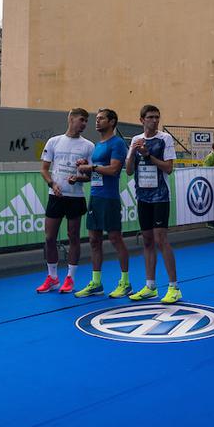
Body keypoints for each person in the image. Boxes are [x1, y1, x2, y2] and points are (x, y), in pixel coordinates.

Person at [126, 105, 182, 303]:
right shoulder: (135, 140)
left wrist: (148, 155)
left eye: (157, 117)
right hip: (143, 196)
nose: (154, 120)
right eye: (150, 117)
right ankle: (150, 286)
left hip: (161, 196)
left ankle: (174, 287)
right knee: (147, 240)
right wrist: (134, 152)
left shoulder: (164, 139)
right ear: (142, 120)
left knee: (161, 240)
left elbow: (168, 168)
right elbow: (129, 171)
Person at [36, 108, 95, 294]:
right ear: (71, 119)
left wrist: (78, 178)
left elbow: (90, 176)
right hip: (56, 197)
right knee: (49, 238)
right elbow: (44, 169)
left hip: (75, 198)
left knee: (74, 237)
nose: (84, 124)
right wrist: (52, 184)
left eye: (86, 121)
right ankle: (52, 277)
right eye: (81, 120)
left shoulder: (89, 146)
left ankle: (70, 278)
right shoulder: (54, 141)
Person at [74, 109, 131, 298]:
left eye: (101, 119)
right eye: (96, 119)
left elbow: (114, 170)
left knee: (115, 239)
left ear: (112, 121)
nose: (97, 122)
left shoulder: (118, 144)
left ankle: (125, 283)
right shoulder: (98, 145)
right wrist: (80, 176)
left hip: (110, 198)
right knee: (93, 241)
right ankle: (96, 283)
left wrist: (91, 166)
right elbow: (96, 174)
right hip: (95, 198)